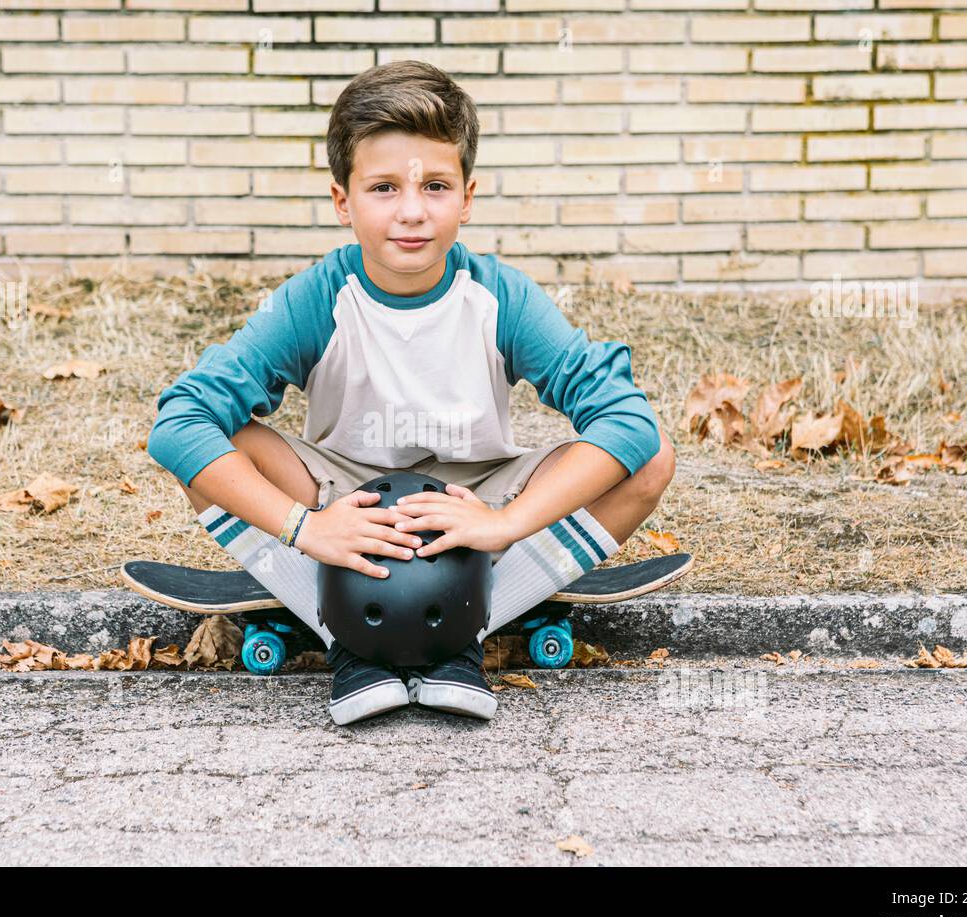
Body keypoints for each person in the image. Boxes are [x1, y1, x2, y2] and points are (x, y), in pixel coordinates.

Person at [148, 60, 675, 727]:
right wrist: (307, 528)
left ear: (467, 196)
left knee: (651, 458)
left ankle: (463, 631)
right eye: (383, 187)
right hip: (343, 503)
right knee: (216, 442)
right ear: (343, 201)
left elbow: (626, 422)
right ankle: (350, 638)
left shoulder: (499, 298)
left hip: (476, 507)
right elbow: (178, 423)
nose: (412, 211)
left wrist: (505, 524)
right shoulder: (317, 300)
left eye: (435, 185)